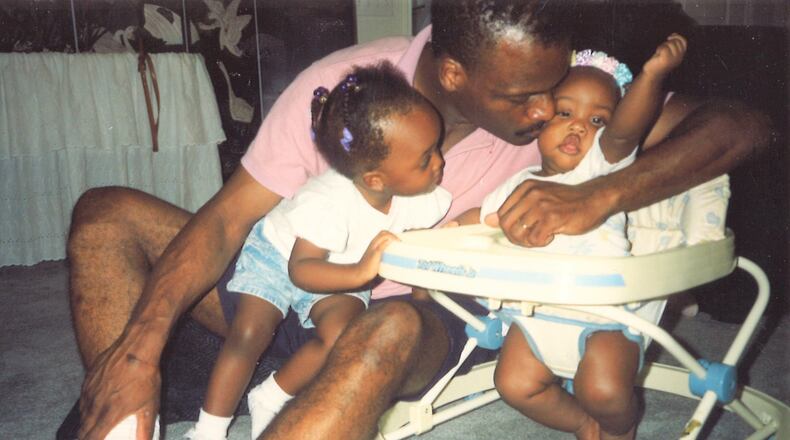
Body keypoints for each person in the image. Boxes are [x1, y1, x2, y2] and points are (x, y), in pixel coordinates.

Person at [67, 1, 769, 439]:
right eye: (525, 97)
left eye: (547, 95)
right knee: (106, 214)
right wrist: (138, 349)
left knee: (388, 323)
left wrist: (599, 196)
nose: (542, 113)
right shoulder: (343, 86)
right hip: (294, 291)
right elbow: (223, 224)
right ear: (455, 73)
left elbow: (746, 123)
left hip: (420, 322)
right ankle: (125, 418)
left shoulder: (560, 103)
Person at [185, 62, 450, 440]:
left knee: (344, 337)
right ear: (375, 178)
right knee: (249, 332)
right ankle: (208, 429)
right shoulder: (327, 200)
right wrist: (361, 273)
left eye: (437, 147)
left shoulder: (421, 196)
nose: (440, 162)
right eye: (426, 158)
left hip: (344, 268)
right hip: (282, 258)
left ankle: (272, 395)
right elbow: (302, 270)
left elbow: (428, 239)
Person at [452, 36, 687, 440]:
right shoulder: (518, 183)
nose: (580, 125)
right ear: (541, 121)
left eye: (598, 120)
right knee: (513, 384)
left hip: (606, 315)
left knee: (605, 392)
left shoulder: (599, 171)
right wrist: (444, 234)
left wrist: (651, 77)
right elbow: (484, 218)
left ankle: (619, 425)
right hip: (534, 313)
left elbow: (625, 133)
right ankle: (583, 424)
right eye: (565, 112)